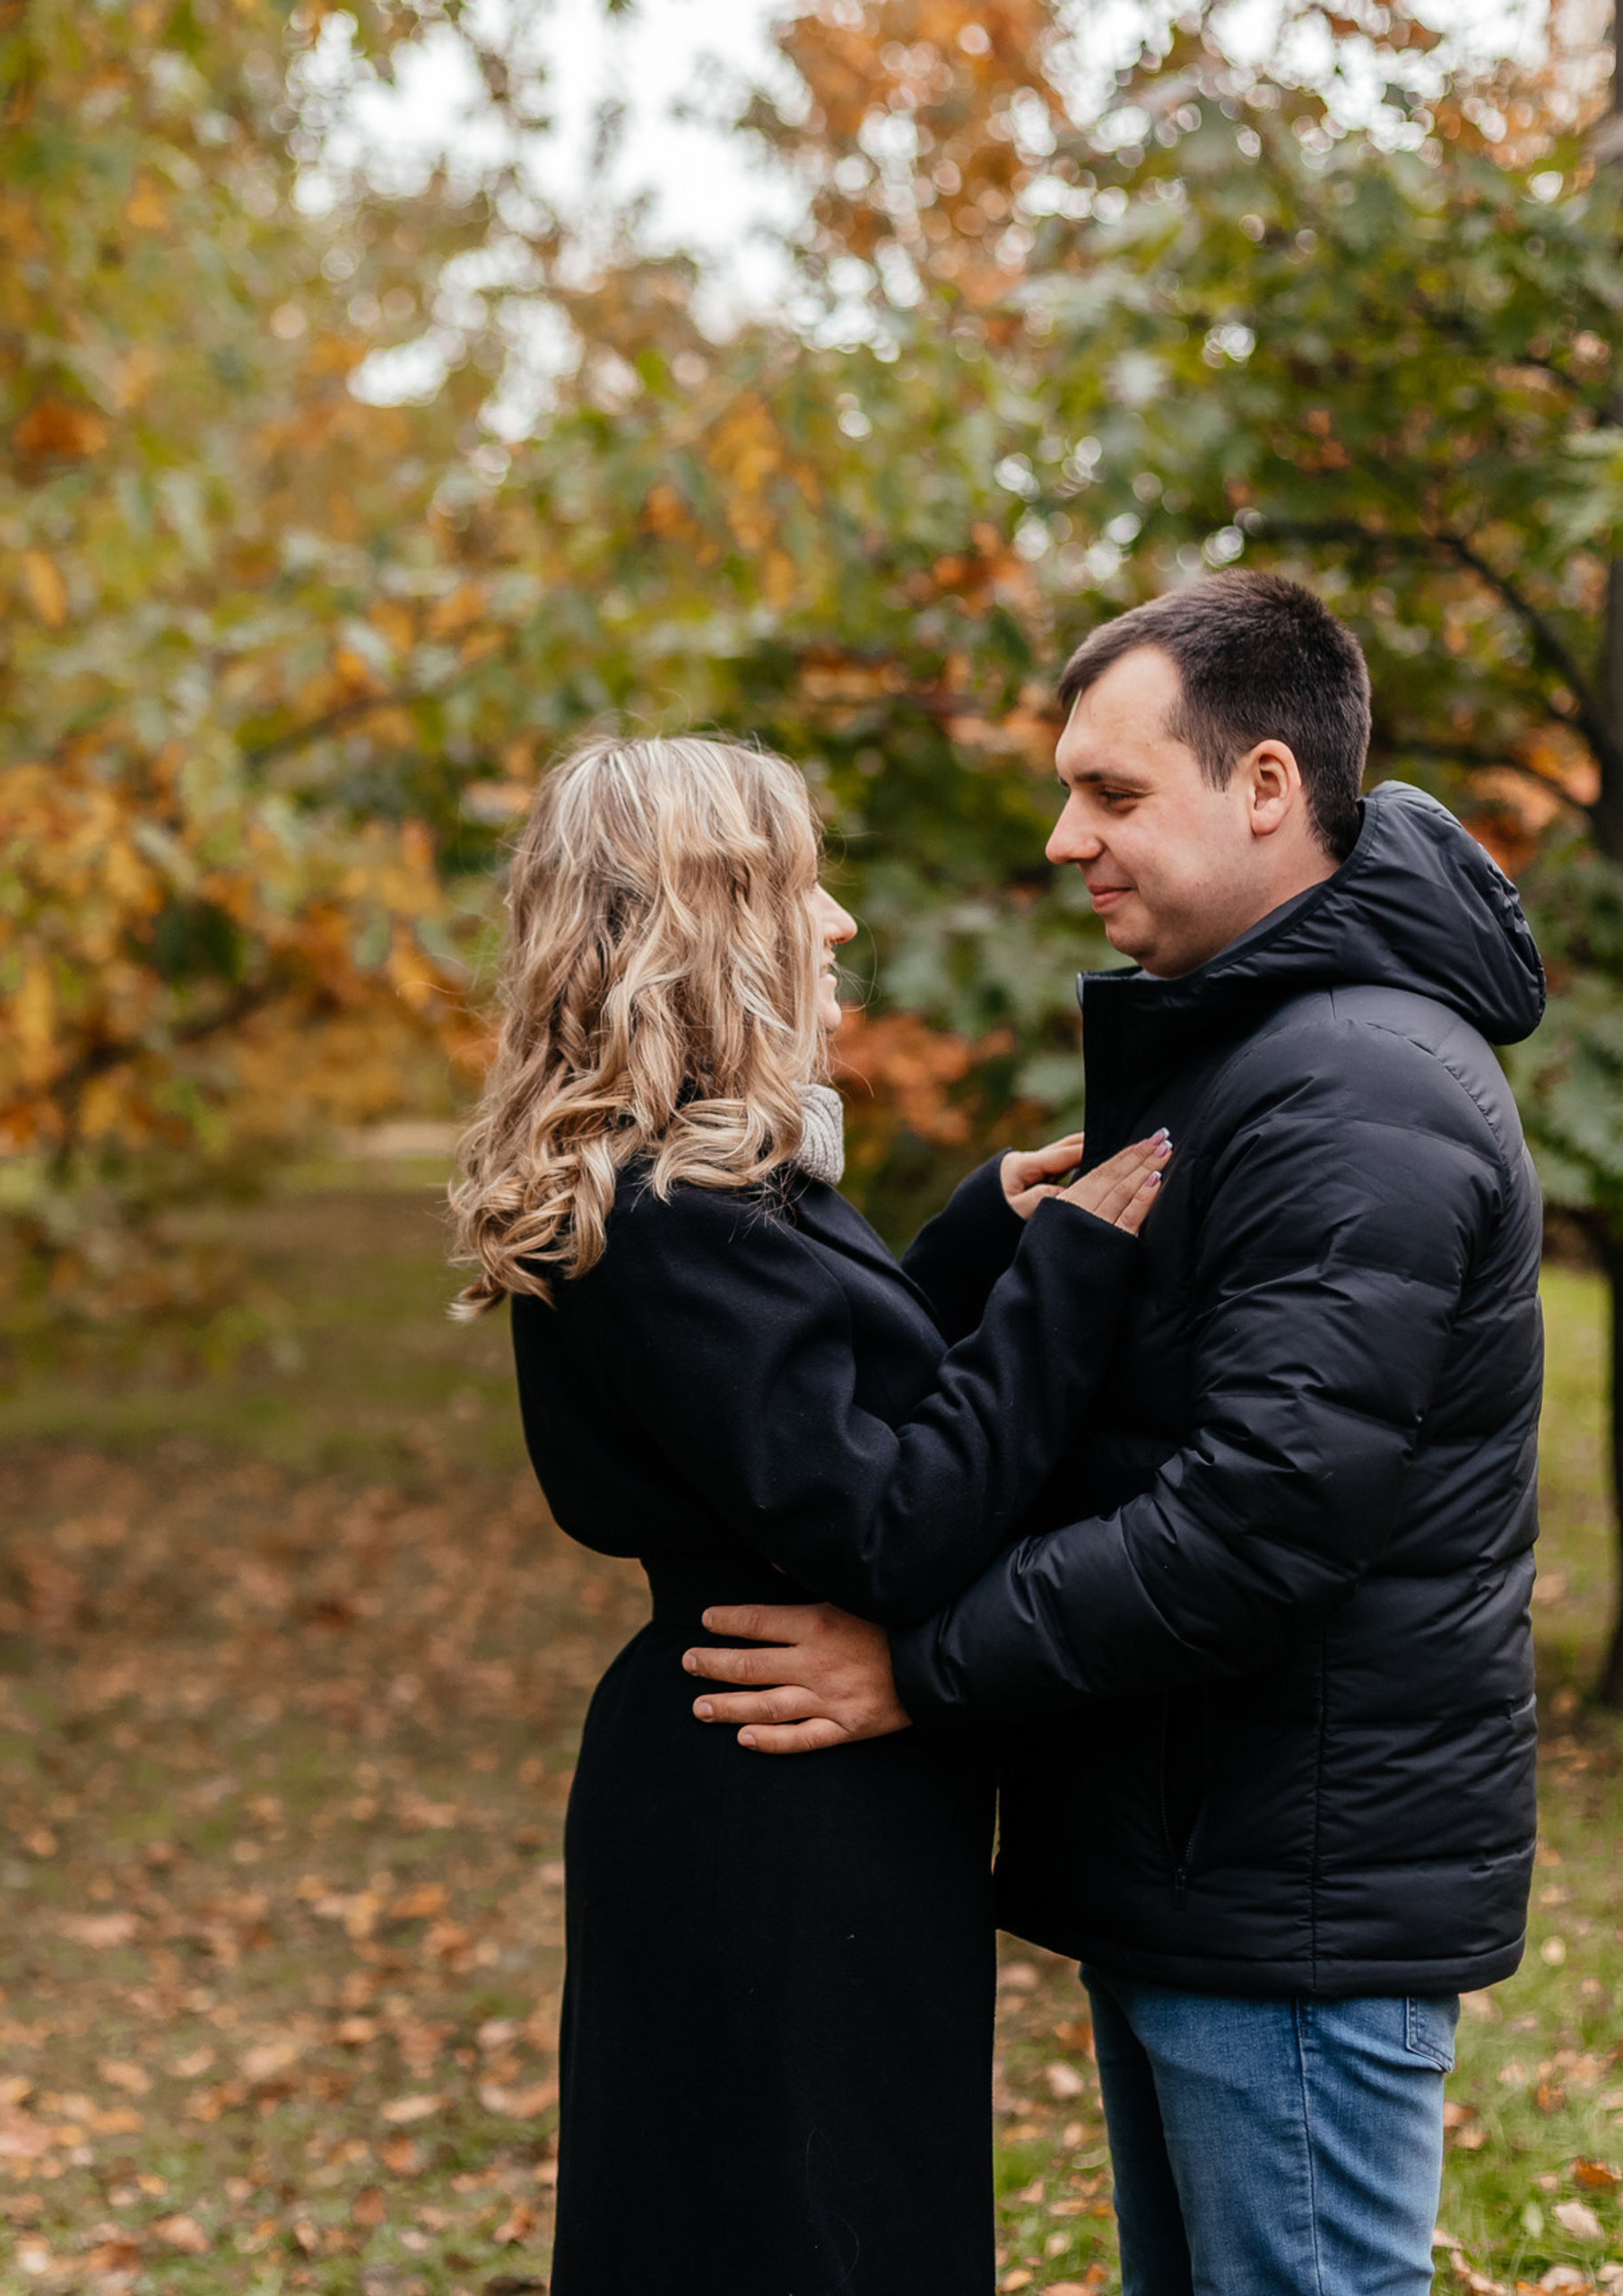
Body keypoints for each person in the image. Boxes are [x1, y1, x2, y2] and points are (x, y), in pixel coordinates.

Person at [684, 572, 1547, 2296]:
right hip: (1201, 1849)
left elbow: (1259, 1522)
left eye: (1115, 792)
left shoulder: (1351, 1086)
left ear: (1267, 789)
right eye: (1071, 789)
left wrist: (914, 1668)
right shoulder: (1252, 1056)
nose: (1067, 836)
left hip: (1286, 1880)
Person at [447, 731, 1172, 2295]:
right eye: (804, 888)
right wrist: (1071, 1281)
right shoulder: (669, 1218)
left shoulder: (693, 1193)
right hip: (774, 1815)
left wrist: (982, 1238)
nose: (838, 924)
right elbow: (893, 1523)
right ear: (703, 925)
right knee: (805, 2241)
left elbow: (803, 1415)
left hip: (768, 1789)